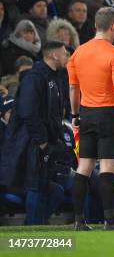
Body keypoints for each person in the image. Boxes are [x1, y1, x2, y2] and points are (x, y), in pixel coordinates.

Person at [67, 7, 114, 231]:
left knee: (84, 166)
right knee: (108, 168)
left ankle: (78, 221)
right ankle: (110, 220)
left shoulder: (78, 53)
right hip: (108, 115)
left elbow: (73, 88)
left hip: (86, 114)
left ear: (95, 25)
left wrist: (75, 115)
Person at [0, 41, 69, 225]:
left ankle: (34, 225)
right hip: (31, 142)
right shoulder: (34, 77)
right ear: (53, 55)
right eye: (64, 54)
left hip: (46, 142)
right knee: (36, 184)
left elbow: (56, 113)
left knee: (47, 187)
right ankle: (31, 228)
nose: (67, 57)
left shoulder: (55, 78)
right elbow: (28, 111)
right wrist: (42, 141)